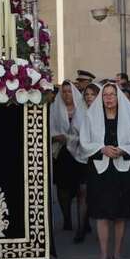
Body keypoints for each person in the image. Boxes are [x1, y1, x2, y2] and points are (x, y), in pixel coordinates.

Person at [72, 83, 130, 259]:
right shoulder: (92, 116)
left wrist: (124, 149)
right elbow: (84, 142)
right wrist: (102, 148)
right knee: (102, 214)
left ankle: (117, 254)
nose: (108, 98)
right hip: (100, 170)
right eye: (105, 95)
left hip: (123, 171)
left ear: (118, 96)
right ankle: (103, 256)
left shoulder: (129, 116)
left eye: (112, 94)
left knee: (120, 214)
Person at [50, 81, 88, 241]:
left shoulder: (83, 109)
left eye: (69, 91)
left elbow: (87, 131)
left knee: (82, 189)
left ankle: (82, 225)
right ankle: (67, 219)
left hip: (81, 153)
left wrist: (71, 138)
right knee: (63, 188)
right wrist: (58, 137)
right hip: (62, 153)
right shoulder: (54, 109)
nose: (66, 95)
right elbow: (50, 130)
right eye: (64, 92)